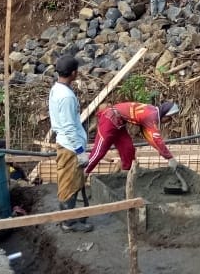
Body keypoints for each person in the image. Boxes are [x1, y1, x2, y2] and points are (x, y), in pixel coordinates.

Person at [48, 55, 93, 232]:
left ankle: (68, 218)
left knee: (70, 181)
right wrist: (80, 151)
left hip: (67, 144)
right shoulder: (66, 96)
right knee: (69, 183)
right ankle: (68, 222)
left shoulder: (57, 89)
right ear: (74, 73)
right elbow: (68, 126)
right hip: (69, 147)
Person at [83, 99, 180, 176]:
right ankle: (80, 177)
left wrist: (165, 155)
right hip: (109, 119)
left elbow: (150, 138)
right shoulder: (151, 116)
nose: (170, 120)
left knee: (128, 150)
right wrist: (170, 158)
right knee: (99, 152)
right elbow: (156, 139)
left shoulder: (152, 111)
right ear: (165, 114)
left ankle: (124, 177)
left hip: (119, 123)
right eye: (170, 117)